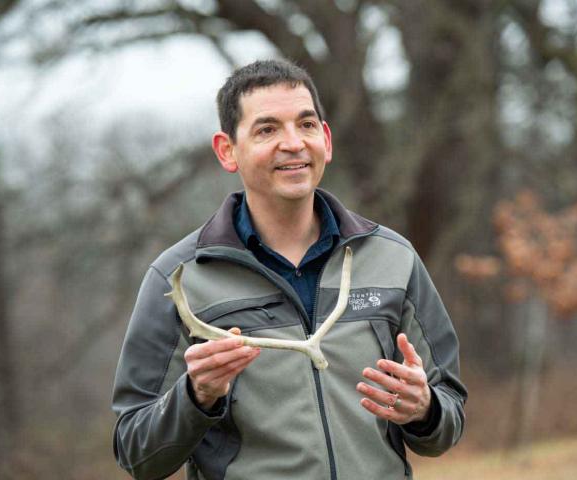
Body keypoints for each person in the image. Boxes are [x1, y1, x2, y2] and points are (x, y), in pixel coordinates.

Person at [112, 59, 467, 480]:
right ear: (228, 151)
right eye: (267, 130)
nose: (294, 143)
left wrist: (425, 410)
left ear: (326, 139)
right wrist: (196, 396)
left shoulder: (393, 258)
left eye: (306, 124)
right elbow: (136, 452)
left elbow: (448, 420)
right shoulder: (179, 279)